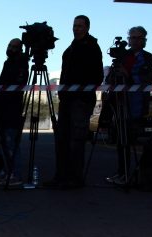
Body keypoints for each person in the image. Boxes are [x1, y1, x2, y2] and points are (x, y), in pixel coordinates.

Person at [48, 15, 104, 189]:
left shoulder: (92, 47)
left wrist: (80, 90)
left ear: (87, 27)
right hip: (67, 100)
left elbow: (97, 76)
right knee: (62, 139)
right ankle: (61, 177)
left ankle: (74, 179)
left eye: (80, 25)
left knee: (76, 141)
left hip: (80, 101)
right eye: (74, 25)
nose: (76, 28)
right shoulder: (71, 48)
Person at [105, 26, 152, 184]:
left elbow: (144, 78)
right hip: (119, 102)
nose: (136, 40)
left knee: (129, 140)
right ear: (128, 39)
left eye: (139, 38)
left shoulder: (147, 57)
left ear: (144, 40)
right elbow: (110, 80)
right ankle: (120, 172)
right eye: (133, 38)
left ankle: (129, 174)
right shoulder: (123, 56)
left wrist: (127, 75)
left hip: (135, 105)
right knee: (119, 141)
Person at [0, 38, 29, 186]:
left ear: (20, 49)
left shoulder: (21, 63)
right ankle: (6, 171)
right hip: (1, 108)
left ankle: (16, 174)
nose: (11, 49)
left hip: (12, 110)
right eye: (9, 45)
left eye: (14, 47)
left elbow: (17, 86)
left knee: (11, 143)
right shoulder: (8, 63)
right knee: (3, 144)